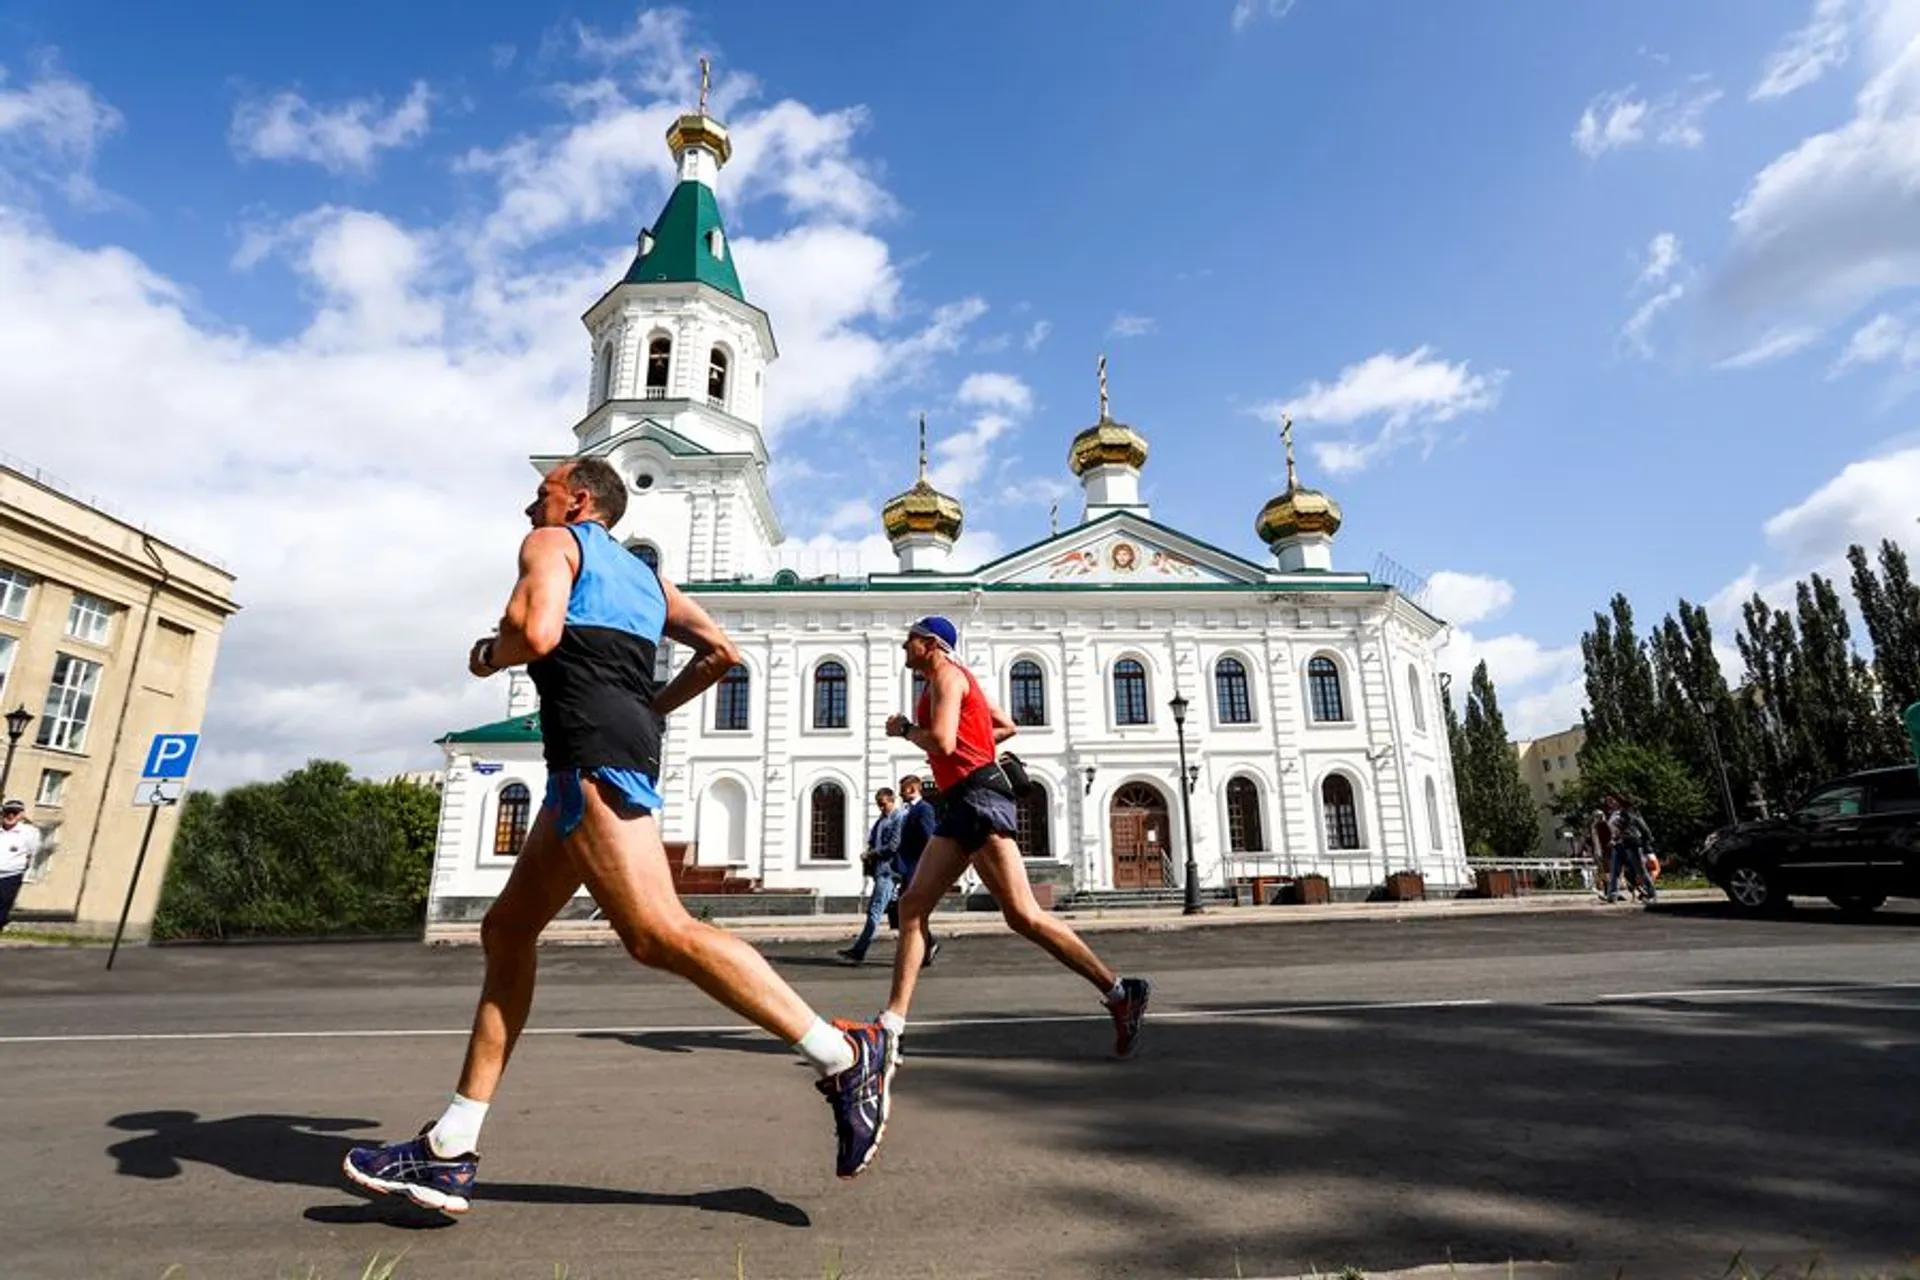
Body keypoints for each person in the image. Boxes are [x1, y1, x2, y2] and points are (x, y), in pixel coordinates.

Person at [344, 460, 892, 1214]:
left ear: (579, 500)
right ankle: (449, 1147)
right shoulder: (645, 579)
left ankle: (843, 1054)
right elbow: (722, 653)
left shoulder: (553, 543)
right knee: (507, 930)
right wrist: (649, 706)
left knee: (658, 932)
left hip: (592, 751)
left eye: (542, 494)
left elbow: (534, 635)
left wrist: (485, 655)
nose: (529, 503)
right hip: (604, 746)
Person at [877, 616, 1150, 1060]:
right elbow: (1004, 725)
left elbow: (943, 743)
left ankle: (1122, 992)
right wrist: (977, 742)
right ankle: (892, 1024)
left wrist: (906, 730)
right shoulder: (944, 682)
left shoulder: (946, 676)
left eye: (909, 639)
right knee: (912, 906)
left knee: (1024, 915)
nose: (904, 645)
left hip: (978, 800)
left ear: (929, 644)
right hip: (962, 801)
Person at [838, 788, 905, 964]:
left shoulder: (898, 818)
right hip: (879, 870)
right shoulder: (881, 820)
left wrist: (872, 854)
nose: (881, 808)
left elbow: (893, 846)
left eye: (884, 804)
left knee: (875, 911)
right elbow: (874, 840)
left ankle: (859, 951)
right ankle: (922, 948)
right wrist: (868, 852)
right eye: (879, 805)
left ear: (892, 800)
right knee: (896, 915)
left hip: (889, 872)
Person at [890, 774, 940, 966]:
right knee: (910, 911)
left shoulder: (924, 809)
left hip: (917, 867)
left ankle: (919, 948)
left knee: (911, 911)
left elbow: (929, 838)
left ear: (912, 789)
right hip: (905, 867)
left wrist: (928, 866)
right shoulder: (906, 810)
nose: (900, 793)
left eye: (903, 788)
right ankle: (925, 945)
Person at [0, 798, 40, 930]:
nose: (10, 816)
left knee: (2, 909)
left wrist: (21, 869)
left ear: (21, 815)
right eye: (8, 812)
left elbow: (31, 853)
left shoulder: (29, 833)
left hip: (10, 877)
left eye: (15, 813)